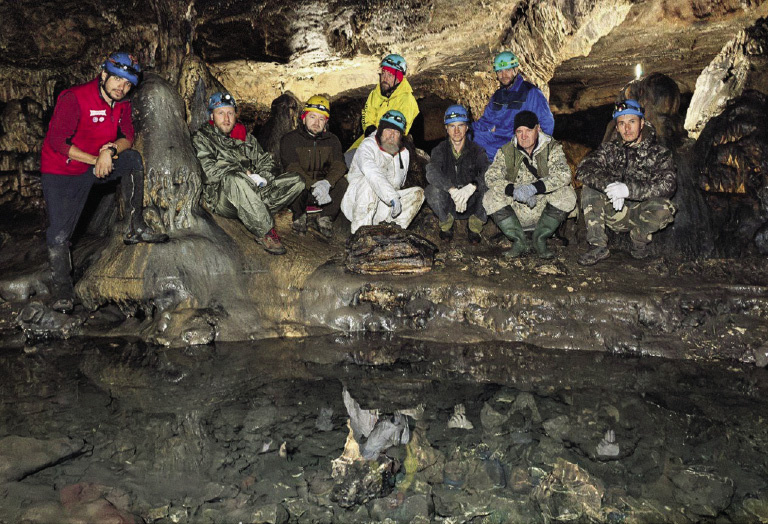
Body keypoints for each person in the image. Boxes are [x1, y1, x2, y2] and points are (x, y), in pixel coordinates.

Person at [40, 52, 169, 314]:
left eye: (127, 85)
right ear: (103, 75)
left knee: (131, 159)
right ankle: (63, 289)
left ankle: (135, 225)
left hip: (97, 164)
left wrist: (109, 151)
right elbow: (58, 141)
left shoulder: (122, 104)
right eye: (117, 81)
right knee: (60, 233)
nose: (121, 88)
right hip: (62, 172)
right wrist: (95, 159)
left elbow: (127, 137)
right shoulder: (74, 98)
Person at [192, 91, 303, 255]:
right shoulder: (202, 138)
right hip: (223, 196)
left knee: (297, 181)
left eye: (230, 113)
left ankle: (253, 209)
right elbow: (208, 171)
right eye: (221, 113)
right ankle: (265, 232)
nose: (226, 118)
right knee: (236, 179)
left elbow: (266, 161)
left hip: (253, 190)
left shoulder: (246, 138)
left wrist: (263, 178)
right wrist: (246, 174)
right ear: (212, 116)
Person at [576, 99, 677, 265]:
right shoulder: (609, 150)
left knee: (664, 208)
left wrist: (628, 190)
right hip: (614, 213)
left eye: (632, 122)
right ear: (616, 127)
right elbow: (583, 168)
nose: (627, 128)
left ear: (642, 123)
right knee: (589, 188)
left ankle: (638, 242)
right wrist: (609, 186)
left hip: (640, 214)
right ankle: (597, 245)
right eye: (622, 123)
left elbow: (668, 184)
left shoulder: (659, 153)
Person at [483, 111, 576, 259]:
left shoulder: (552, 148)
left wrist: (534, 188)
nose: (524, 136)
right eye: (519, 131)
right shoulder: (506, 151)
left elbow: (564, 174)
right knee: (489, 197)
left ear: (538, 129)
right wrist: (513, 190)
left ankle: (540, 239)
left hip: (543, 207)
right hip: (517, 209)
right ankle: (519, 241)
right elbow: (490, 177)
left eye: (528, 130)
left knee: (567, 194)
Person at [341, 110, 424, 233]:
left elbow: (399, 184)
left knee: (418, 193)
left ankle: (391, 232)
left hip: (386, 205)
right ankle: (359, 234)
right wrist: (391, 196)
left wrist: (394, 197)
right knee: (369, 182)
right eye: (388, 130)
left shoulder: (404, 154)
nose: (392, 135)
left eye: (396, 132)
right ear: (380, 130)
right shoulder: (367, 146)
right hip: (359, 202)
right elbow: (371, 172)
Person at [279, 95, 347, 238]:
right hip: (303, 190)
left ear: (326, 122)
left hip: (324, 193)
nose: (316, 123)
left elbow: (339, 165)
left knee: (342, 183)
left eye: (321, 119)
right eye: (312, 117)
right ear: (303, 118)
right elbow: (292, 167)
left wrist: (327, 183)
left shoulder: (333, 140)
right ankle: (299, 216)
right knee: (294, 180)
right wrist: (312, 185)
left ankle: (325, 217)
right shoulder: (290, 139)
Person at [473, 51, 555, 162]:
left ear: (515, 70)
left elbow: (547, 122)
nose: (504, 75)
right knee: (468, 139)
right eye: (500, 71)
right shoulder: (497, 96)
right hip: (499, 140)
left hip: (519, 142)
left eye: (508, 70)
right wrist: (467, 130)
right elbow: (486, 121)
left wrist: (538, 148)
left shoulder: (531, 93)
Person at [424, 104, 489, 243]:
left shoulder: (477, 150)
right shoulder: (440, 150)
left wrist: (472, 186)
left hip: (471, 202)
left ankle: (474, 225)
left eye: (460, 125)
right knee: (431, 191)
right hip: (450, 202)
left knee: (491, 187)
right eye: (452, 126)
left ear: (467, 127)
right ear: (446, 129)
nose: (457, 130)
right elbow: (431, 171)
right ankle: (447, 223)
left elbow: (488, 171)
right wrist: (452, 190)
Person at [345, 54, 420, 166]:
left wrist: (379, 137)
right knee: (345, 159)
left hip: (389, 142)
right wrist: (369, 128)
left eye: (389, 75)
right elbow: (367, 112)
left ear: (398, 78)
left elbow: (401, 128)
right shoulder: (376, 93)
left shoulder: (407, 100)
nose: (384, 78)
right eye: (383, 73)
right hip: (369, 137)